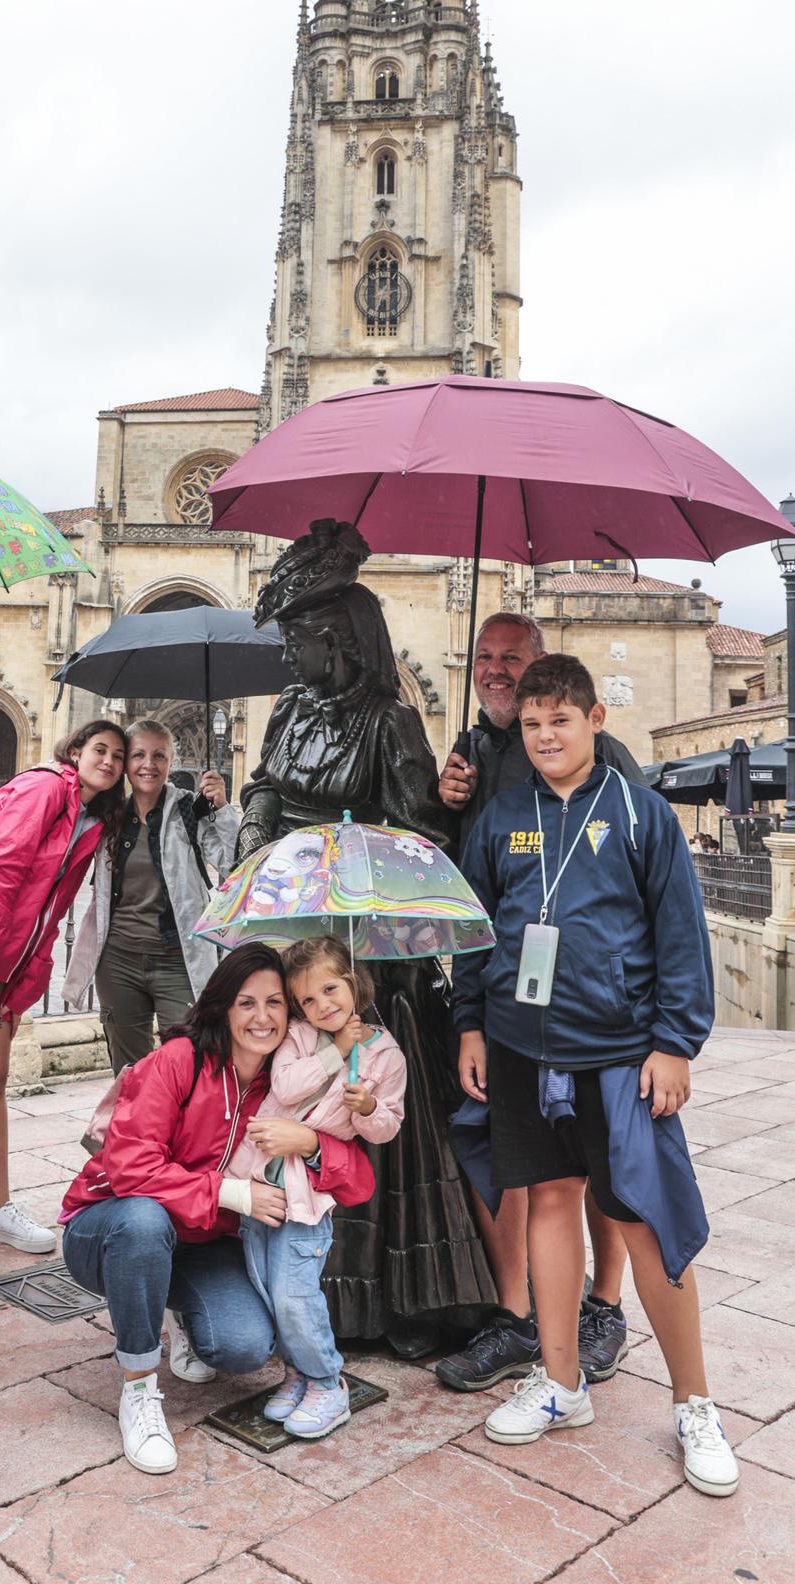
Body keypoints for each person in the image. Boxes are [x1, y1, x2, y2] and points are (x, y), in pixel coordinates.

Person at [453, 653, 738, 1498]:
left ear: (593, 720)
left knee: (644, 1220)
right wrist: (470, 1022)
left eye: (559, 721)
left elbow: (680, 936)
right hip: (518, 1045)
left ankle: (695, 1404)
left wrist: (675, 1043)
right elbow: (473, 930)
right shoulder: (502, 817)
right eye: (532, 723)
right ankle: (560, 1383)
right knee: (546, 1201)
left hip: (618, 1052)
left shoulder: (642, 815)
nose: (544, 735)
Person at [235, 518, 493, 1353]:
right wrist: (255, 822)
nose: (290, 658)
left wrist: (402, 831)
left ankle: (395, 1304)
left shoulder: (388, 721)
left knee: (373, 1114)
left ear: (338, 642)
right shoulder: (289, 713)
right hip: (298, 942)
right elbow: (265, 785)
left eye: (301, 642)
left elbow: (423, 833)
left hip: (372, 955)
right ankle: (302, 1291)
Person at [60, 943, 375, 1474]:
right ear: (223, 1006)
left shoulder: (293, 1080)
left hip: (201, 1243)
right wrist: (234, 1194)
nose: (262, 1017)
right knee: (143, 1222)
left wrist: (309, 1142)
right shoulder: (179, 1061)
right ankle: (139, 1388)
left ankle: (175, 1308)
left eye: (275, 1003)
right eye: (246, 1002)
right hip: (110, 1226)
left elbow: (359, 1179)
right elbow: (131, 1169)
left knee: (245, 1347)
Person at [435, 612, 642, 1394]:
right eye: (485, 657)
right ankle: (517, 1318)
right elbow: (468, 878)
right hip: (508, 998)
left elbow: (637, 877)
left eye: (511, 658)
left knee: (599, 1163)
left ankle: (603, 1307)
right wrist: (442, 795)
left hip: (594, 1004)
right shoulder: (472, 749)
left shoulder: (608, 763)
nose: (495, 669)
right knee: (512, 1158)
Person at [0, 719, 128, 1271]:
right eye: (99, 749)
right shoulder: (45, 789)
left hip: (2, 965)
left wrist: (22, 978)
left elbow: (49, 910)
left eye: (117, 755)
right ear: (76, 750)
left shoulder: (91, 816)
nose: (108, 760)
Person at [227, 935, 406, 1440]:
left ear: (353, 981)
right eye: (307, 999)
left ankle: (328, 1381)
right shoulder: (302, 1038)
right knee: (265, 1285)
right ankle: (297, 1373)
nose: (322, 1005)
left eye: (330, 989)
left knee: (294, 1292)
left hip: (308, 1193)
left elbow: (388, 1126)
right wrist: (336, 1052)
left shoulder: (385, 1054)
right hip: (260, 1181)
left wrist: (367, 1110)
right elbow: (285, 1088)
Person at [63, 716, 241, 1071]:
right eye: (139, 755)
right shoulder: (108, 812)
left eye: (159, 756)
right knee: (129, 1071)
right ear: (126, 763)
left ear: (170, 762)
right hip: (118, 961)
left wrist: (221, 808)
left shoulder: (191, 808)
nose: (148, 765)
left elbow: (231, 864)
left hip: (177, 958)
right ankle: (135, 1129)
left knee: (191, 1060)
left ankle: (182, 1129)